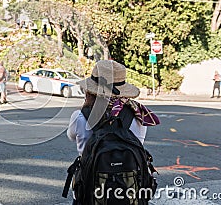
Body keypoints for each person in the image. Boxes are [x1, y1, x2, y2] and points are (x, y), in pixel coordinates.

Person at [67, 60, 160, 204]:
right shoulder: (139, 115)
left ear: (90, 90)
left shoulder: (80, 117)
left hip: (92, 191)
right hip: (130, 190)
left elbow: (71, 136)